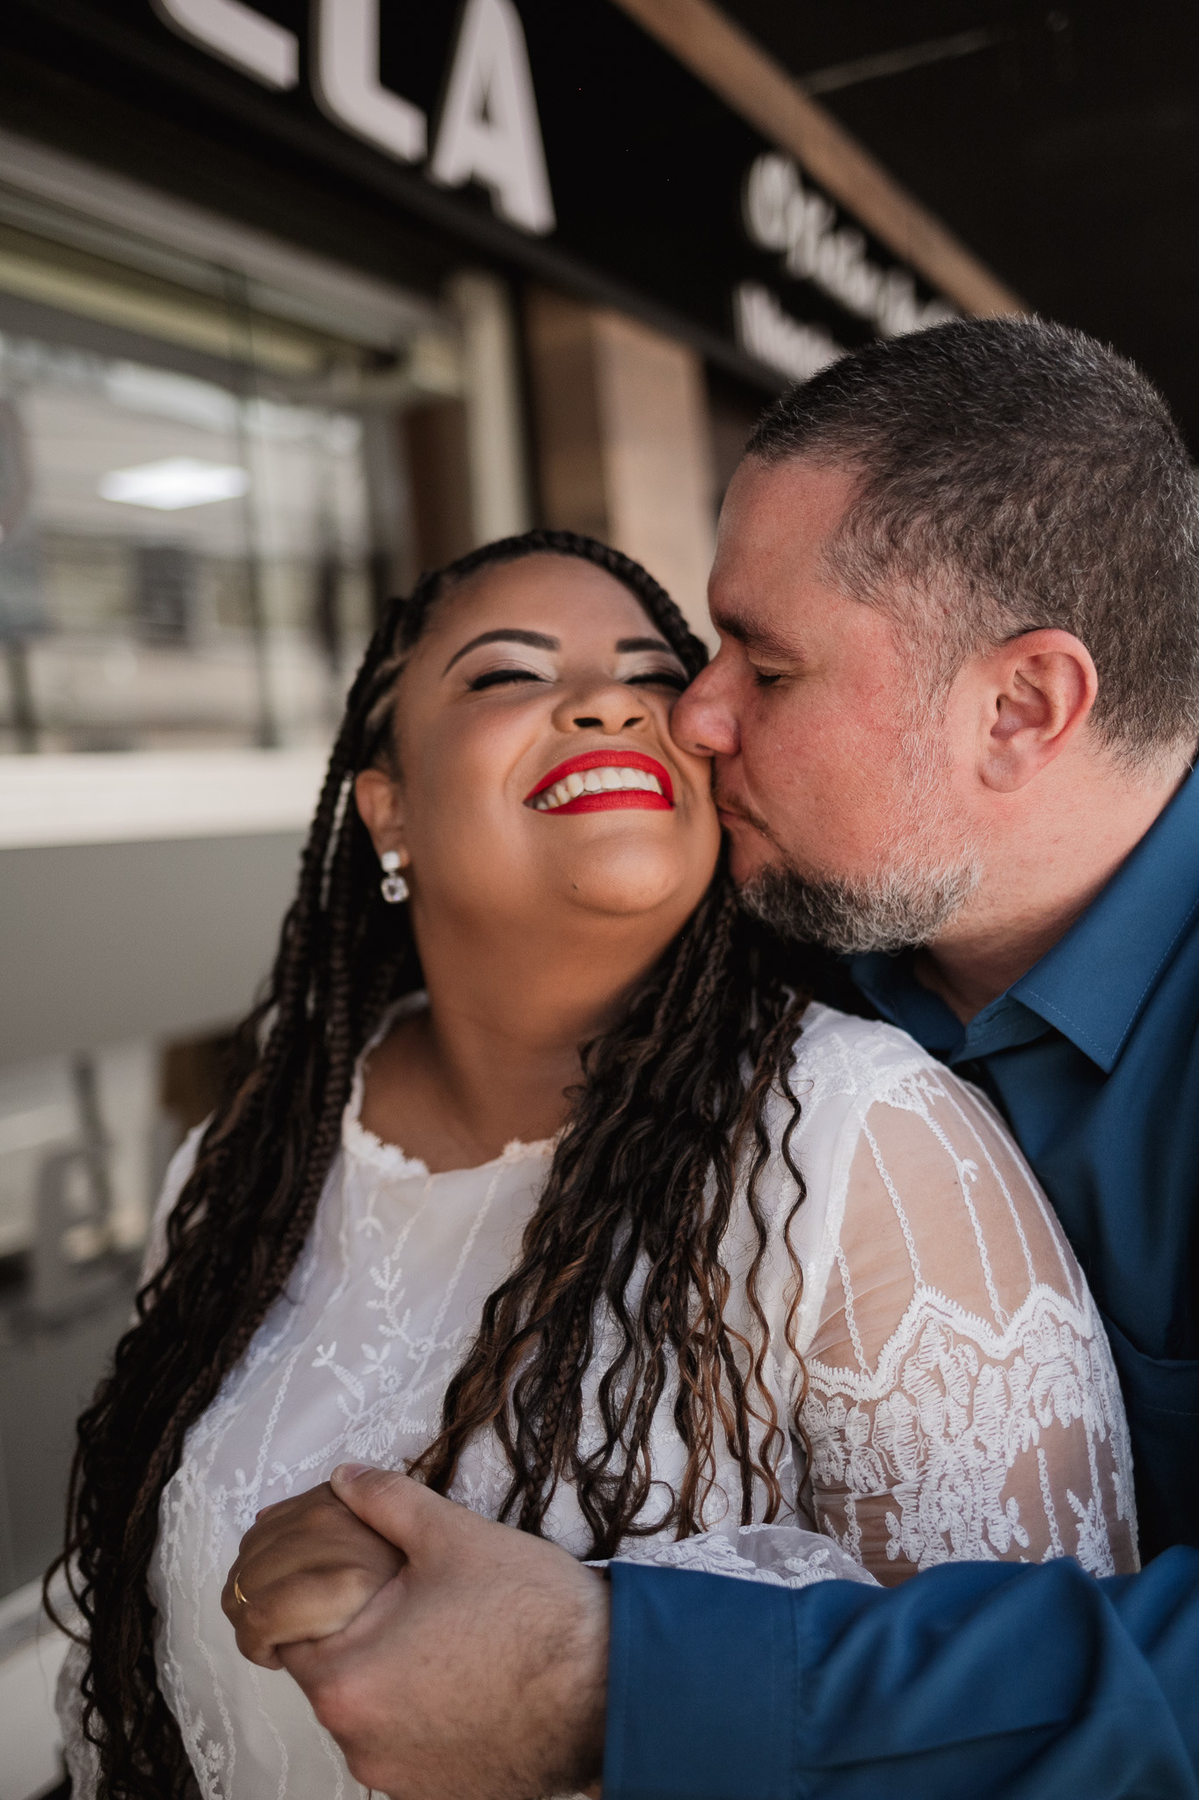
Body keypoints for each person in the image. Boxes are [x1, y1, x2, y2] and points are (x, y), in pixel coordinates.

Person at [224, 318, 1199, 1800]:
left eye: (767, 665)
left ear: (1020, 709)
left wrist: (609, 1678)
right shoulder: (784, 946)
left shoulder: (855, 1093)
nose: (695, 714)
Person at [54, 518, 1130, 1800]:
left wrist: (587, 1651)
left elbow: (1030, 1733)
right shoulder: (255, 1150)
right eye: (509, 673)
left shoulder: (870, 1143)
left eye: (656, 676)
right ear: (386, 811)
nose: (611, 702)